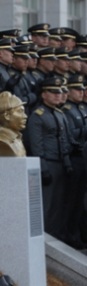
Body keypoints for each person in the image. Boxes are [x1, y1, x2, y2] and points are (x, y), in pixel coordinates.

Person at [27, 77, 73, 241]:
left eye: (59, 92)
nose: (57, 95)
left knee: (58, 206)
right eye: (53, 92)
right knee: (46, 206)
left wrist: (67, 163)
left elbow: (63, 141)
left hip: (60, 163)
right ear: (44, 94)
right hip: (48, 164)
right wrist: (43, 168)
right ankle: (43, 240)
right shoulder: (37, 116)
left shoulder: (59, 114)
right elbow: (36, 145)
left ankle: (53, 239)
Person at [61, 74, 87, 249]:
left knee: (79, 203)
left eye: (82, 89)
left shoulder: (82, 108)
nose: (81, 92)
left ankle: (75, 234)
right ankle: (67, 234)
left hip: (83, 159)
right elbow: (70, 136)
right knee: (70, 201)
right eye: (77, 89)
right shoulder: (67, 110)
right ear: (68, 92)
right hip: (73, 158)